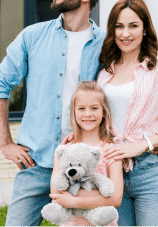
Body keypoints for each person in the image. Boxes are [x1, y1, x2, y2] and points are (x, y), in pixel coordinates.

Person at [0, 0, 105, 226]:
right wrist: (6, 144)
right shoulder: (32, 36)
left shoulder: (106, 43)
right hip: (35, 164)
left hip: (87, 164)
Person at [98, 0, 158, 226]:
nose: (125, 33)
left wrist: (143, 145)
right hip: (113, 172)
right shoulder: (104, 74)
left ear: (145, 29)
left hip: (149, 172)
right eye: (119, 26)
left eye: (133, 25)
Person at [50, 81, 123, 226]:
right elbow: (56, 193)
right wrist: (101, 197)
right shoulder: (64, 150)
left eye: (94, 108)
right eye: (81, 108)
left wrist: (74, 201)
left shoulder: (112, 151)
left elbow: (116, 198)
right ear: (74, 112)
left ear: (103, 112)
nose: (88, 114)